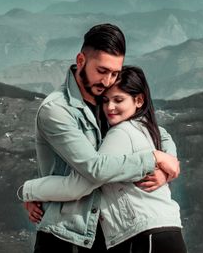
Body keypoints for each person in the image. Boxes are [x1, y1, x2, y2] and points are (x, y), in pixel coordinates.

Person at [23, 23, 180, 252]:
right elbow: (94, 169)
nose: (108, 81)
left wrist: (168, 165)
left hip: (104, 236)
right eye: (102, 71)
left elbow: (155, 129)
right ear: (80, 61)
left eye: (115, 73)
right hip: (64, 236)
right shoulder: (56, 110)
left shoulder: (107, 101)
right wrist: (153, 158)